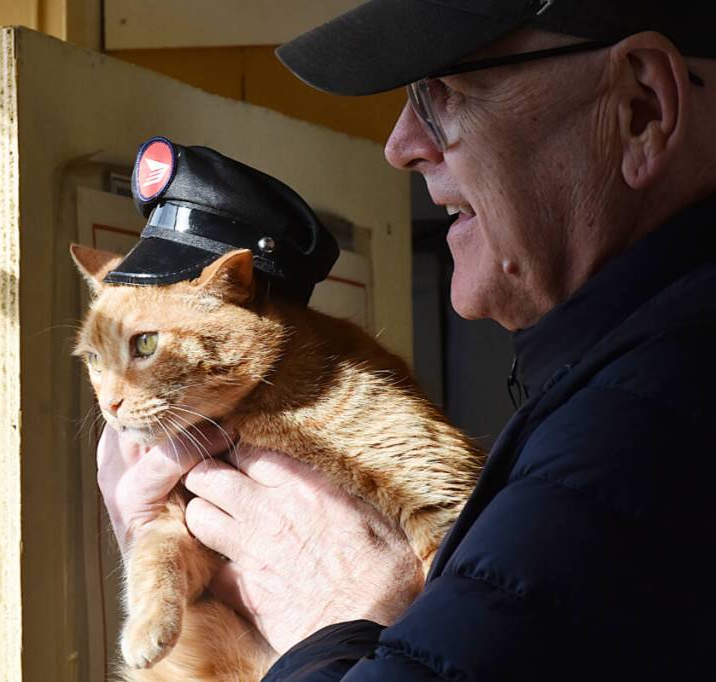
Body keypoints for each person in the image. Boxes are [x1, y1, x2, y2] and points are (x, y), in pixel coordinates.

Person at [96, 0, 716, 678]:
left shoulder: (641, 429)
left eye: (443, 89)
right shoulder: (624, 384)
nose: (399, 146)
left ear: (642, 108)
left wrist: (345, 616)